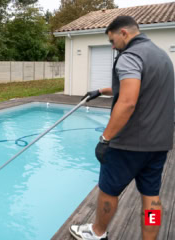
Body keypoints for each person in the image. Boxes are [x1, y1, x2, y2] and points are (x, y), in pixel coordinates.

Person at [69, 16, 174, 240]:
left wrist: (105, 139)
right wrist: (100, 90)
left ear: (124, 33)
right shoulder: (162, 56)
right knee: (152, 199)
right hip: (158, 144)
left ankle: (97, 232)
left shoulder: (130, 56)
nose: (113, 46)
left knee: (108, 191)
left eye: (112, 40)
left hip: (128, 144)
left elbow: (128, 101)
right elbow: (139, 85)